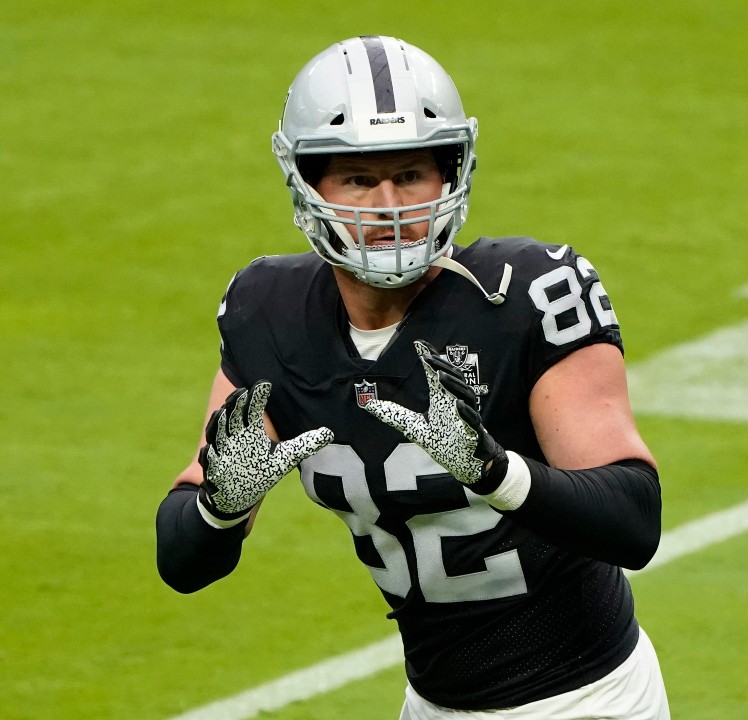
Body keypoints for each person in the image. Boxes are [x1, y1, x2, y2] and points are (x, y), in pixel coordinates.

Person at [155, 35, 669, 719]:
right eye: (359, 179)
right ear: (309, 184)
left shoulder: (527, 295)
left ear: (452, 174)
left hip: (586, 698)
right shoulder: (269, 312)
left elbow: (635, 520)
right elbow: (182, 562)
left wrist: (497, 474)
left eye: (411, 174)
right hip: (430, 703)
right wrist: (218, 508)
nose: (389, 204)